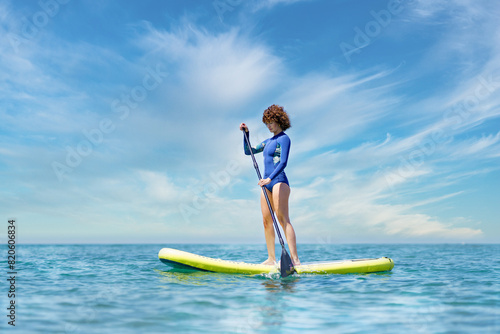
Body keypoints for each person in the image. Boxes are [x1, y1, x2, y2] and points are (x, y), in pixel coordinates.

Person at [240, 104, 300, 266]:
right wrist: (247, 135)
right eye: (266, 123)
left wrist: (269, 178)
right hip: (266, 184)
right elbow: (249, 151)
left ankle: (294, 259)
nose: (268, 126)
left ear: (279, 121)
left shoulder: (284, 139)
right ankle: (271, 259)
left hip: (279, 181)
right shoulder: (267, 142)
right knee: (266, 221)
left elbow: (283, 162)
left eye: (271, 122)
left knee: (283, 219)